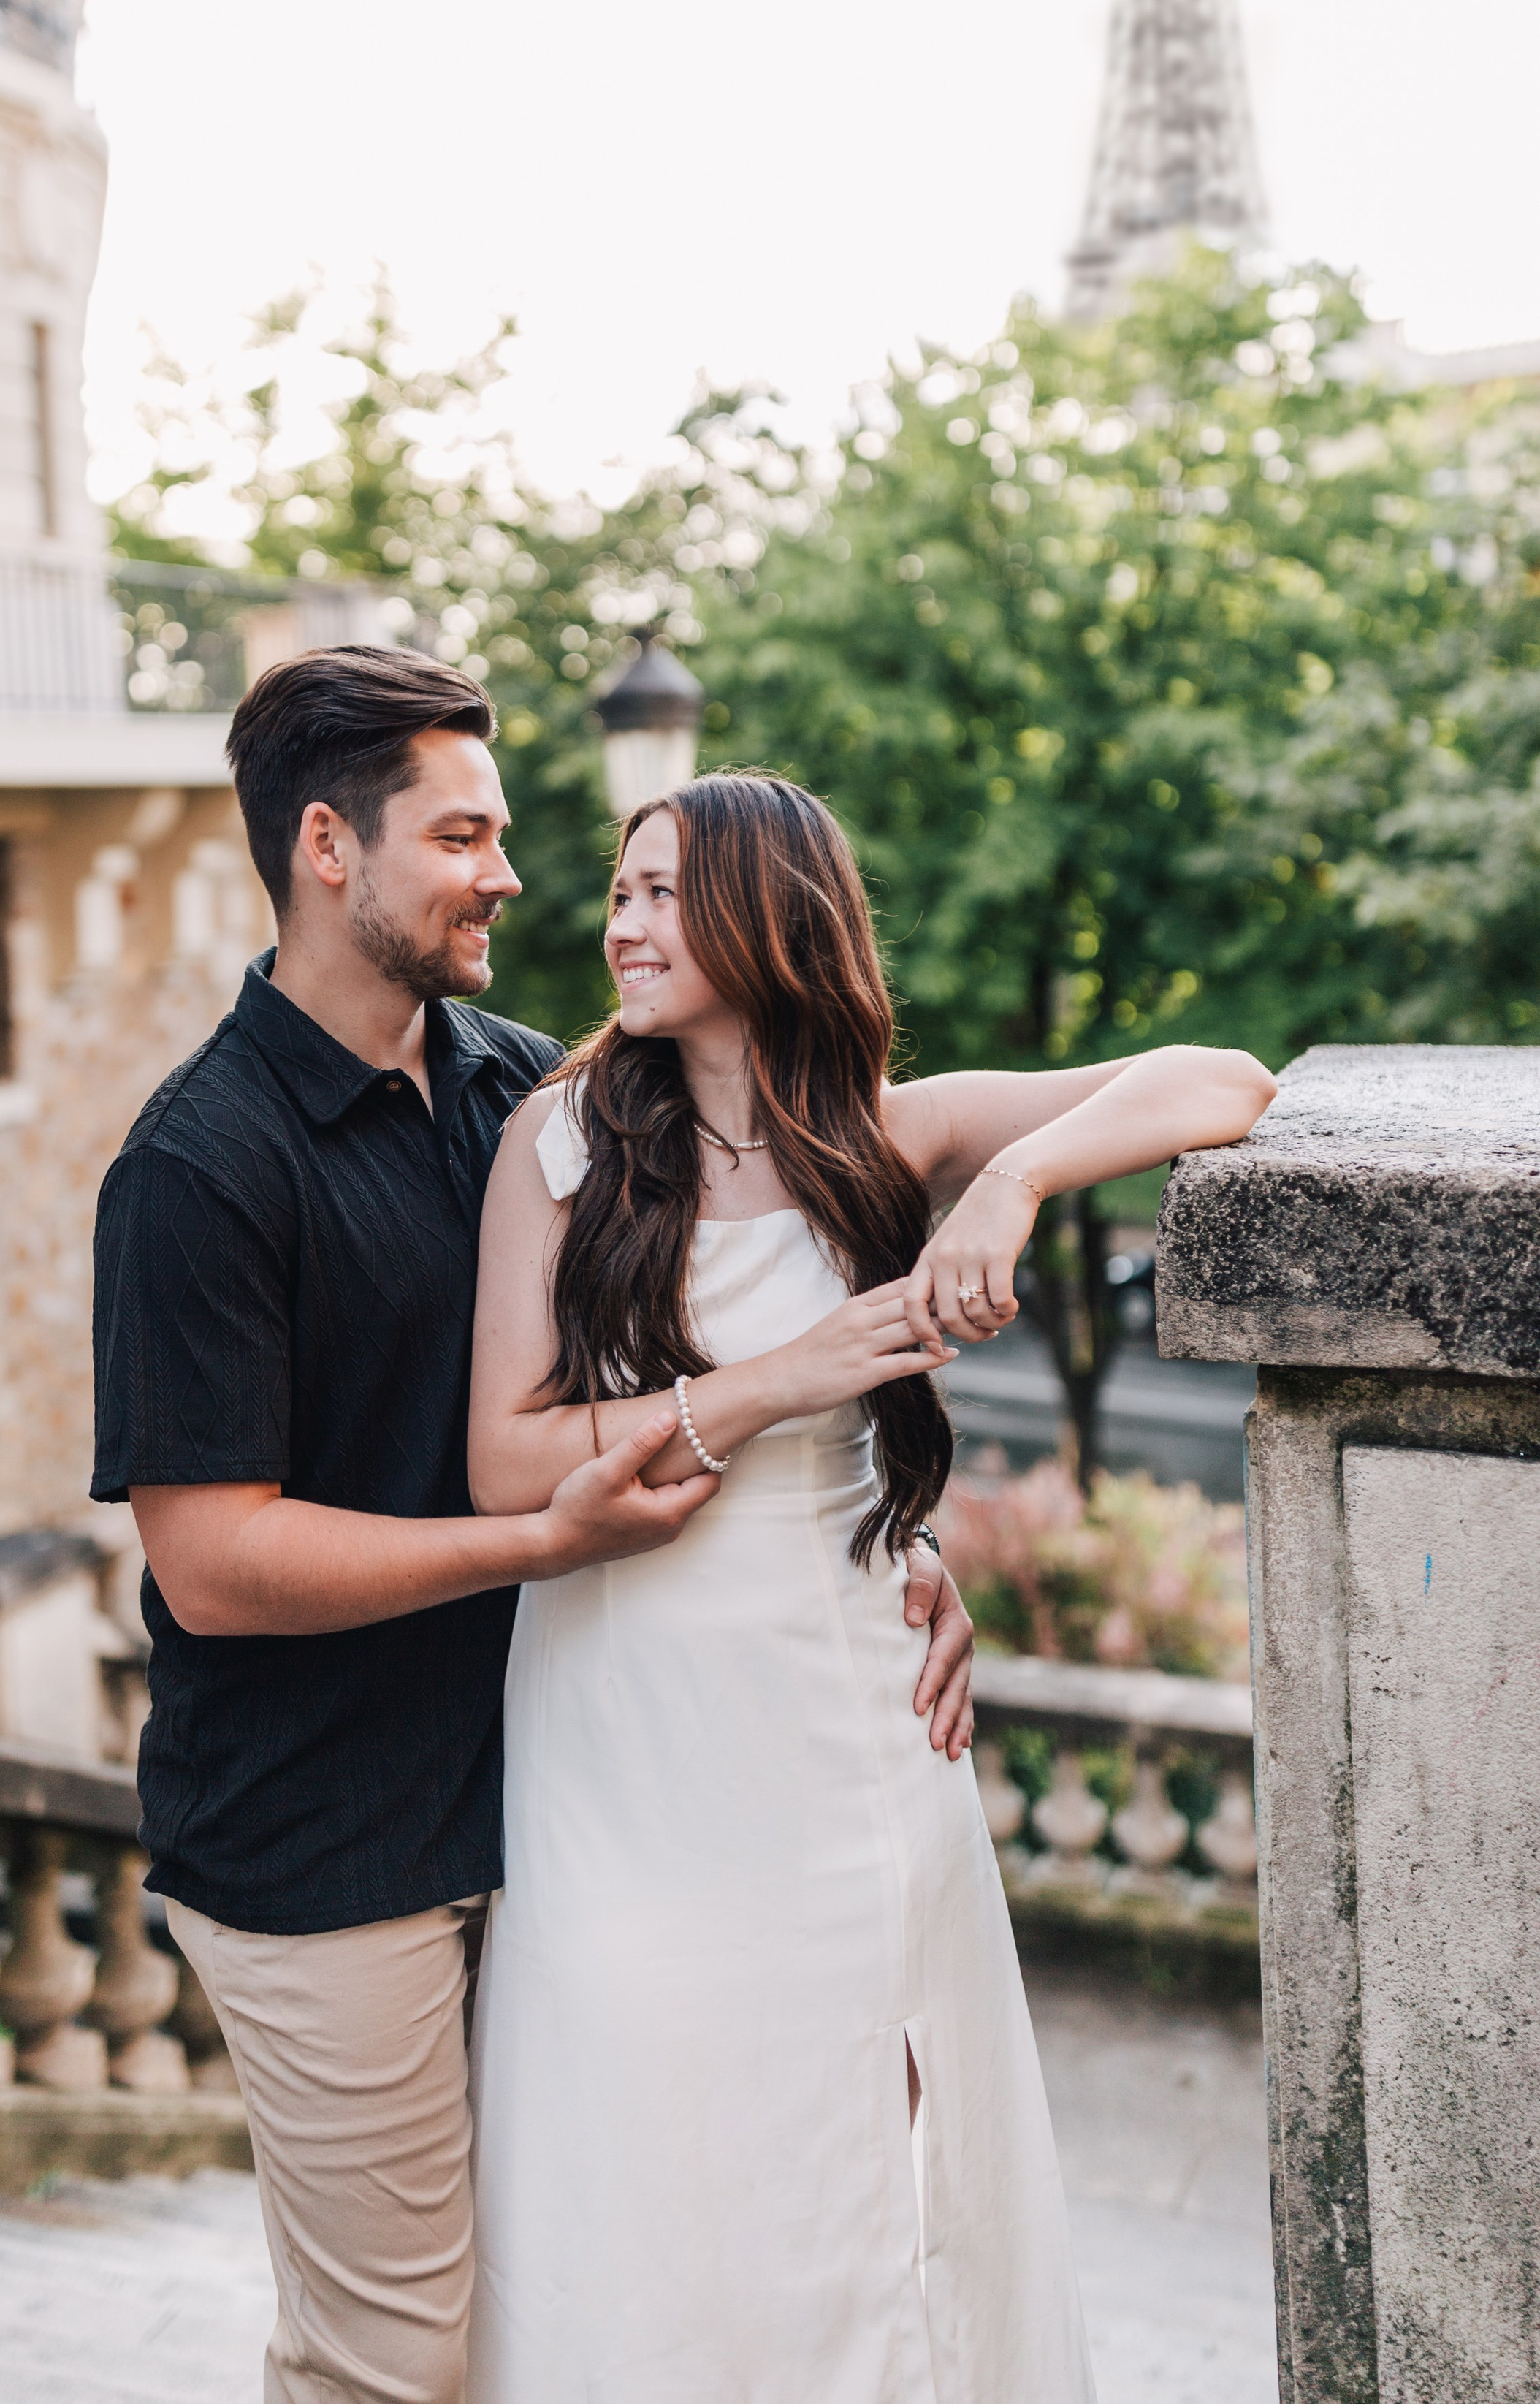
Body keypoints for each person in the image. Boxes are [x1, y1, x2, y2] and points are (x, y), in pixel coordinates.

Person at [90, 649, 978, 2404]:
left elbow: (697, 1338)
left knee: (560, 2306)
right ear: (329, 847)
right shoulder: (197, 1168)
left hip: (559, 1803)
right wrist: (533, 1548)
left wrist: (886, 1544)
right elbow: (213, 1561)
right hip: (326, 1846)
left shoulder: (527, 1096)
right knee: (389, 2357)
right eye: (466, 836)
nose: (511, 874)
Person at [464, 769, 1278, 2404]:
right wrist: (780, 1374)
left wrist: (1013, 1179)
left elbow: (1226, 1076)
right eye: (615, 892)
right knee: (638, 2122)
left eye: (660, 892)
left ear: (772, 914)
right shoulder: (554, 1145)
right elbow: (501, 1460)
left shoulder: (883, 1136)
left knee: (866, 2134)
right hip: (626, 1709)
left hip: (845, 1699)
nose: (619, 924)